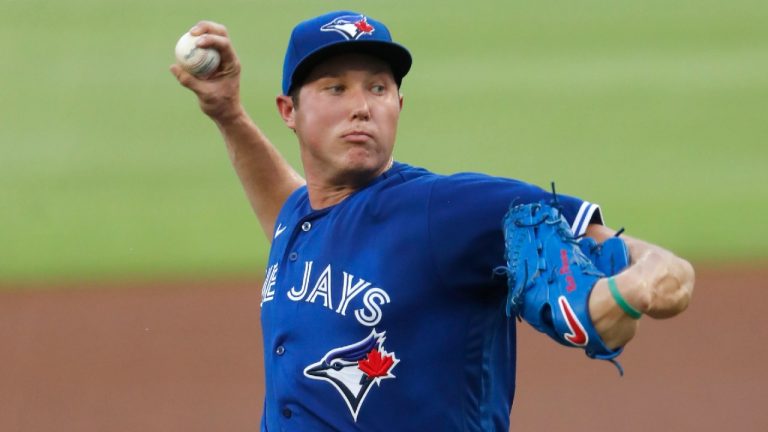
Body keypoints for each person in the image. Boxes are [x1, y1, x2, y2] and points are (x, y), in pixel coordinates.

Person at [171, 11, 694, 431]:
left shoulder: (444, 210)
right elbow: (289, 205)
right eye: (336, 89)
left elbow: (638, 260)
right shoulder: (303, 219)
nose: (361, 107)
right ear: (289, 110)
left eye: (377, 88)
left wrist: (642, 284)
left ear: (399, 102)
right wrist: (229, 114)